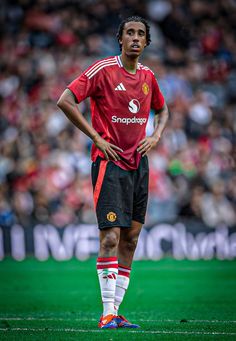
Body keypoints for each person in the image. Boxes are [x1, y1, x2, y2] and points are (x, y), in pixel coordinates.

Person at [57, 15, 169, 329]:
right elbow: (65, 100)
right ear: (120, 39)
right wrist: (95, 137)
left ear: (147, 42)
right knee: (110, 238)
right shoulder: (103, 70)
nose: (135, 38)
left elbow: (163, 109)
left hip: (139, 165)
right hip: (110, 164)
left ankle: (115, 313)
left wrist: (156, 135)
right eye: (129, 33)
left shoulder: (148, 76)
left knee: (131, 240)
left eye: (141, 34)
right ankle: (107, 313)